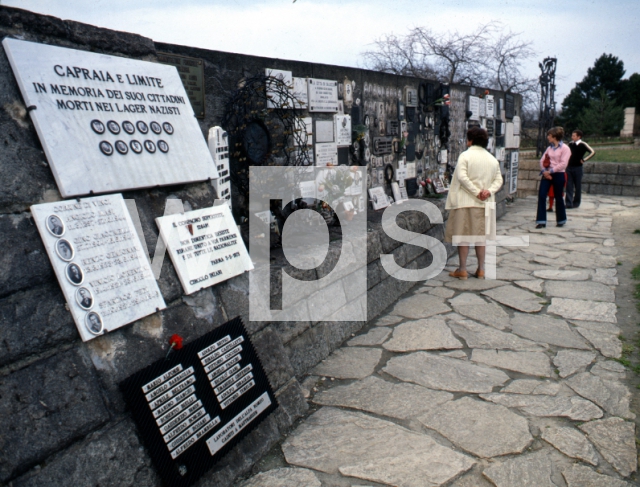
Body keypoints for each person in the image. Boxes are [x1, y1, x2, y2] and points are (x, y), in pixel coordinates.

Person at [445, 126, 503, 279]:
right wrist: (488, 191)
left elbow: (462, 177)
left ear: (470, 140)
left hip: (466, 201)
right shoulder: (492, 159)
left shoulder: (465, 156)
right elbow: (499, 179)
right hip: (485, 203)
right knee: (480, 237)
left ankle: (463, 269)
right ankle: (481, 269)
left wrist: (476, 192)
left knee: (463, 236)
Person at [536, 127, 570, 228]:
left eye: (549, 136)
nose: (547, 137)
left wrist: (551, 171)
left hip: (558, 174)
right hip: (547, 174)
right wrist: (544, 172)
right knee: (542, 195)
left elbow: (563, 164)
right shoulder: (549, 148)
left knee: (558, 196)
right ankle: (541, 220)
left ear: (555, 137)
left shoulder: (565, 148)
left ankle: (561, 219)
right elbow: (542, 160)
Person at [565, 129, 595, 209]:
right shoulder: (570, 144)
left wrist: (584, 159)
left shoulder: (582, 144)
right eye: (572, 135)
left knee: (577, 186)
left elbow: (592, 152)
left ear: (579, 137)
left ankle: (576, 202)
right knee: (568, 185)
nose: (572, 137)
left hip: (578, 167)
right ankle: (568, 202)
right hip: (569, 167)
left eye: (574, 136)